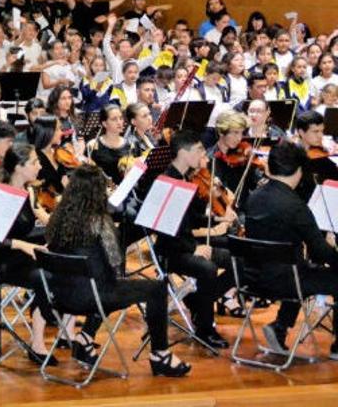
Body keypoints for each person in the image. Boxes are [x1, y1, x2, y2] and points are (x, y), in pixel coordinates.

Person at [46, 164, 191, 377]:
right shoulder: (99, 222)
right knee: (156, 288)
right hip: (91, 297)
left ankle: (84, 339)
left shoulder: (57, 219)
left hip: (61, 296)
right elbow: (115, 262)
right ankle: (160, 354)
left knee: (104, 284)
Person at [244, 141, 338, 359]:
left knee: (298, 267)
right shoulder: (295, 206)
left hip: (253, 277)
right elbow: (320, 253)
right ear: (298, 171)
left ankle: (279, 327)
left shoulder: (254, 197)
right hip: (284, 281)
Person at [152, 129, 235, 348]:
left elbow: (190, 218)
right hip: (171, 250)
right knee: (207, 268)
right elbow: (165, 230)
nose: (202, 154)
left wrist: (217, 220)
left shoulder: (184, 177)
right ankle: (205, 329)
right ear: (183, 153)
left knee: (239, 259)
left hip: (185, 243)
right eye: (198, 150)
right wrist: (194, 248)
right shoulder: (167, 181)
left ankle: (198, 301)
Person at [0, 144, 54, 364]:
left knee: (62, 266)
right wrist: (22, 245)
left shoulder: (29, 191)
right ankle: (37, 343)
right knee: (45, 278)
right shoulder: (2, 195)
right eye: (34, 162)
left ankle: (66, 333)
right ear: (19, 168)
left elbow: (35, 226)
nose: (40, 166)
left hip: (24, 257)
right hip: (2, 262)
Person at [87, 104, 131, 185]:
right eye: (114, 119)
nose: (119, 122)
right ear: (104, 123)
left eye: (121, 118)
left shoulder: (131, 145)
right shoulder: (93, 145)